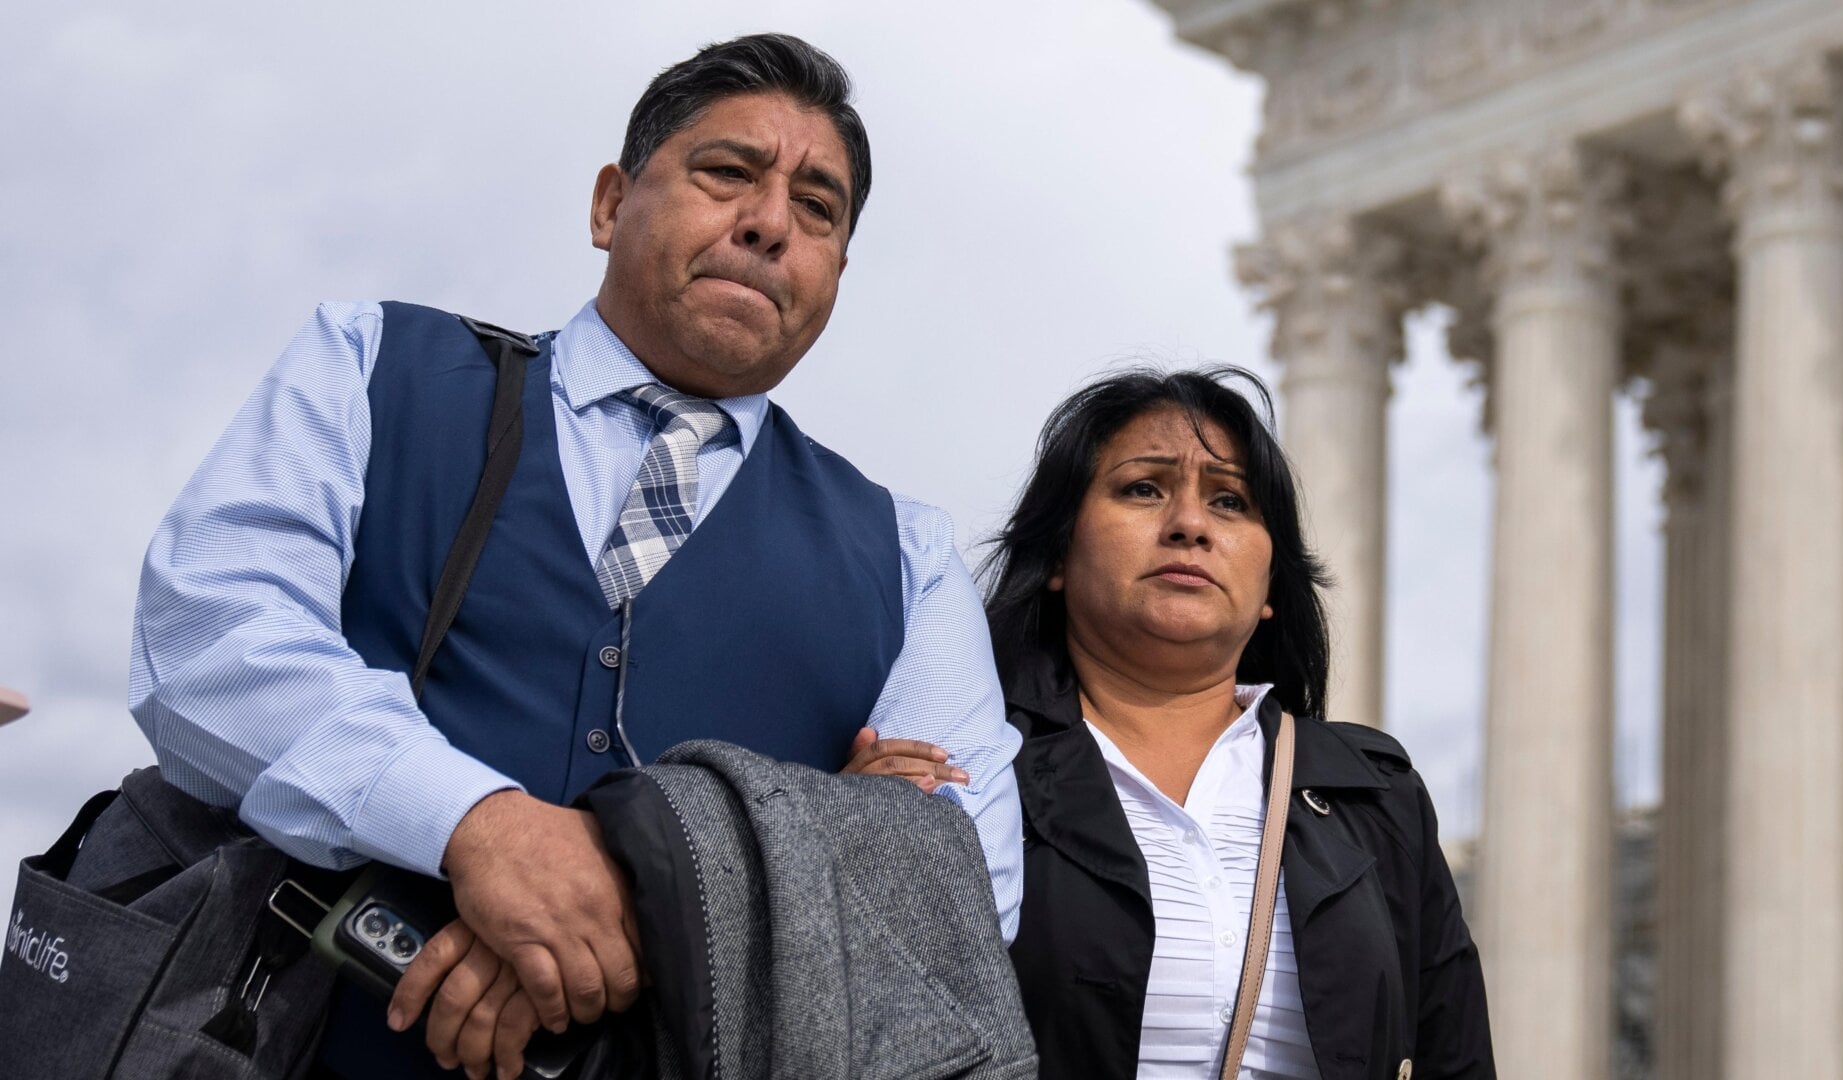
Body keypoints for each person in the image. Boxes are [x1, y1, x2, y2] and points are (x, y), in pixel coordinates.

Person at [125, 33, 1022, 1079]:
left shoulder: (906, 554)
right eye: (728, 172)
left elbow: (959, 878)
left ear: (835, 273)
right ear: (609, 204)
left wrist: (647, 905)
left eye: (817, 210)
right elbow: (209, 638)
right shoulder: (374, 363)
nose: (770, 222)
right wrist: (481, 829)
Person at [862, 368, 1494, 1078]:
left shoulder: (1375, 796)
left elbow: (1453, 1056)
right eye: (1144, 488)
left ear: (1270, 591)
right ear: (1059, 554)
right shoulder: (962, 764)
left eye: (1230, 501)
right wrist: (848, 848)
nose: (1190, 525)